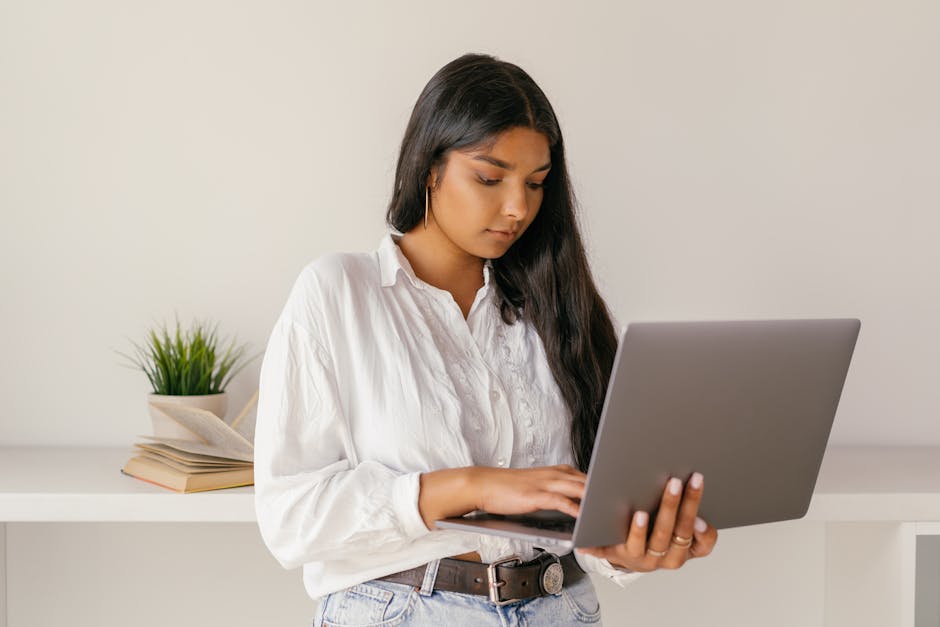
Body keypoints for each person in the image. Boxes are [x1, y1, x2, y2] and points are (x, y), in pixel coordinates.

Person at [254, 52, 718, 626]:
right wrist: (475, 486)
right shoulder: (339, 293)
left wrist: (629, 547)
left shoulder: (558, 309)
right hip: (405, 610)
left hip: (561, 605)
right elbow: (289, 518)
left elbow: (588, 502)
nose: (518, 207)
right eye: (489, 177)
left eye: (537, 183)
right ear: (429, 166)